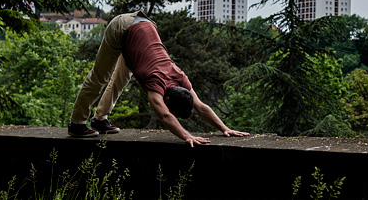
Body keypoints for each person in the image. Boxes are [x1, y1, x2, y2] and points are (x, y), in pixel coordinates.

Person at [68, 11, 249, 146]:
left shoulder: (181, 79)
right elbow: (164, 115)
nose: (172, 113)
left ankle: (100, 120)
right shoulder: (156, 84)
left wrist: (224, 128)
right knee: (100, 77)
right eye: (174, 111)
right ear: (167, 99)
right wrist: (187, 136)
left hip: (144, 27)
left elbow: (201, 107)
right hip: (121, 27)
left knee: (120, 80)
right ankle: (77, 123)